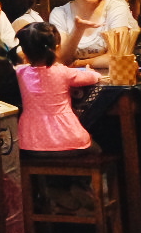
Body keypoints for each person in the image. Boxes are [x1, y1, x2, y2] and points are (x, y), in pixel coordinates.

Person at [13, 21, 102, 152]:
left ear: (24, 52)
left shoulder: (20, 73)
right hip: (67, 138)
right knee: (97, 149)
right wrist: (91, 71)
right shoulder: (63, 72)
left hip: (30, 142)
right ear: (57, 48)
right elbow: (93, 77)